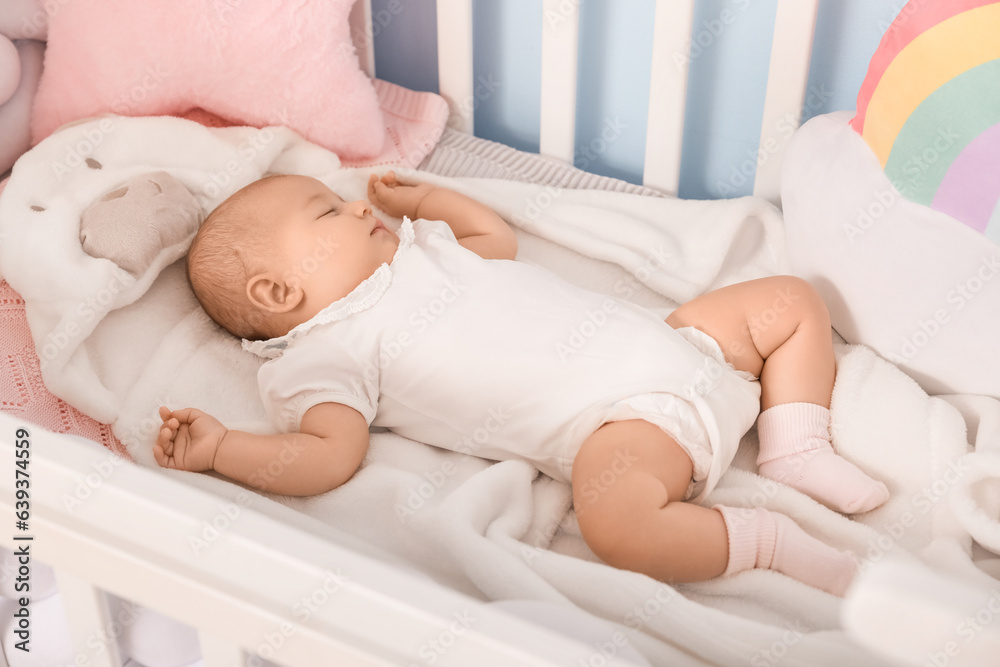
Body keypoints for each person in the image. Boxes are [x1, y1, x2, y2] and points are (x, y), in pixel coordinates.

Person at [156, 172, 889, 596]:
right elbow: (328, 454)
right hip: (622, 422)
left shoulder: (413, 253)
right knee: (615, 521)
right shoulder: (322, 355)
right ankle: (763, 543)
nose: (356, 205)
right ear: (279, 293)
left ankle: (797, 443)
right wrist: (224, 448)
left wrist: (431, 203)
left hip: (680, 341)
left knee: (789, 299)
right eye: (328, 211)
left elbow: (493, 245)